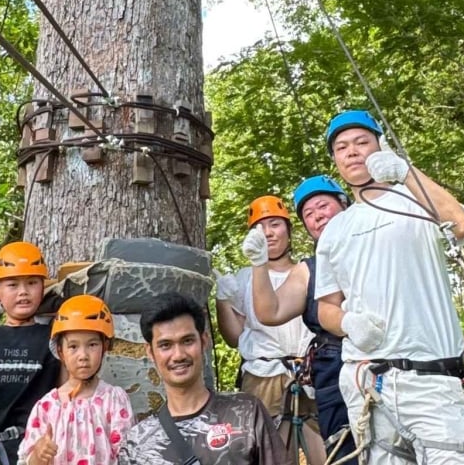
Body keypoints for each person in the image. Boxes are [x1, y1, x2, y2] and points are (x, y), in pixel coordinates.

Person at [312, 110, 464, 465]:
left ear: (381, 146)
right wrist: (348, 322)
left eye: (362, 142)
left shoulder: (415, 201)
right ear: (335, 161)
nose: (352, 152)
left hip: (432, 381)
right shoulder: (335, 230)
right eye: (341, 147)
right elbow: (326, 307)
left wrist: (405, 172)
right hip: (368, 385)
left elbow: (461, 224)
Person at [247, 176, 353, 465]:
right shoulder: (310, 270)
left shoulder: (380, 250)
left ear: (345, 205)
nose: (317, 216)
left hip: (387, 363)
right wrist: (259, 264)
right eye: (308, 213)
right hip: (333, 370)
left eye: (323, 206)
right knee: (343, 453)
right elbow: (270, 312)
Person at [115, 293, 288, 465]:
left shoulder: (246, 413)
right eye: (165, 345)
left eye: (187, 341)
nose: (178, 355)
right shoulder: (137, 444)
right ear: (150, 352)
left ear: (204, 341)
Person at [215, 194, 314, 453]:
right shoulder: (245, 278)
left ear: (288, 231)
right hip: (262, 374)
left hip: (309, 372)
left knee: (324, 447)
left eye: (275, 224)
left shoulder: (307, 273)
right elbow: (234, 337)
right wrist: (222, 300)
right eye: (260, 228)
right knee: (265, 451)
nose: (268, 233)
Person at [0, 241, 63, 465]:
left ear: (42, 287)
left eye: (32, 283)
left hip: (35, 447)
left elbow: (66, 389)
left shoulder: (53, 337)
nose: (23, 292)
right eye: (13, 285)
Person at [21, 295, 135, 465]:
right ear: (60, 351)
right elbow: (28, 461)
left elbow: (128, 457)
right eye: (73, 346)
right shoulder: (46, 407)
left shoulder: (114, 400)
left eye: (92, 345)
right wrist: (38, 454)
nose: (83, 356)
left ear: (104, 347)